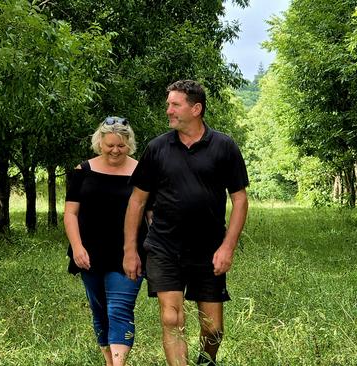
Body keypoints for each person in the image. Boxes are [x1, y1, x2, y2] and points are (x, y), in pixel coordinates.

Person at [123, 80, 249, 366]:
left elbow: (240, 201)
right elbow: (137, 201)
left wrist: (227, 247)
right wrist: (130, 250)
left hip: (208, 249)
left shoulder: (224, 146)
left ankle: (206, 362)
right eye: (168, 104)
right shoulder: (157, 148)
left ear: (196, 108)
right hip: (164, 247)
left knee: (213, 329)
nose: (168, 110)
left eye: (175, 104)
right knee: (171, 318)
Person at [64, 116, 147, 366]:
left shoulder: (142, 171)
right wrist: (77, 248)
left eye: (121, 145)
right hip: (89, 254)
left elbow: (151, 211)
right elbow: (71, 213)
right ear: (100, 142)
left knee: (119, 309)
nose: (115, 150)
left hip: (129, 253)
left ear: (129, 144)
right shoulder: (83, 171)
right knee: (100, 312)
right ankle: (110, 362)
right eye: (110, 144)